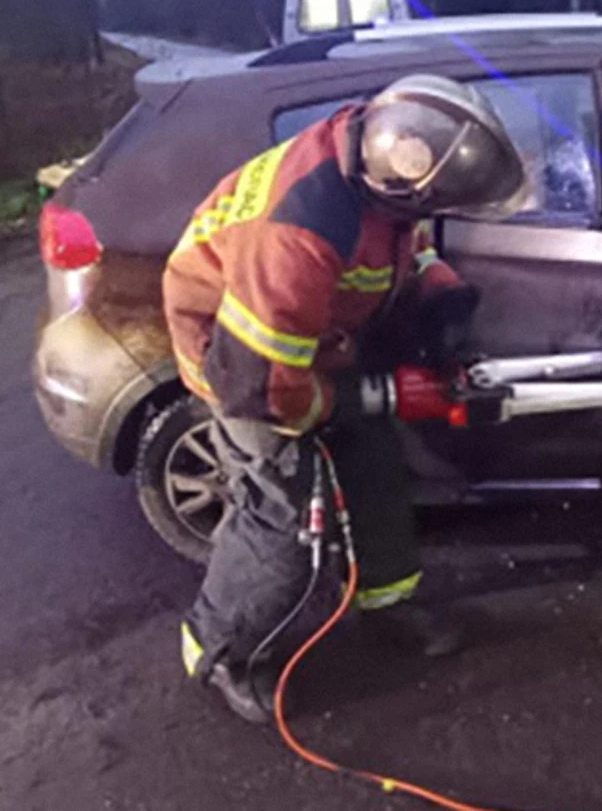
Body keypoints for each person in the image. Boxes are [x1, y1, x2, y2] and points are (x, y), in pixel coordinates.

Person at [162, 74, 527, 723]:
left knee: (376, 468)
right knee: (280, 512)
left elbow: (397, 248)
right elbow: (265, 390)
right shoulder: (299, 229)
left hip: (313, 339)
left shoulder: (377, 163)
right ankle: (221, 652)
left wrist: (439, 293)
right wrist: (364, 396)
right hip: (239, 364)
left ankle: (389, 608)